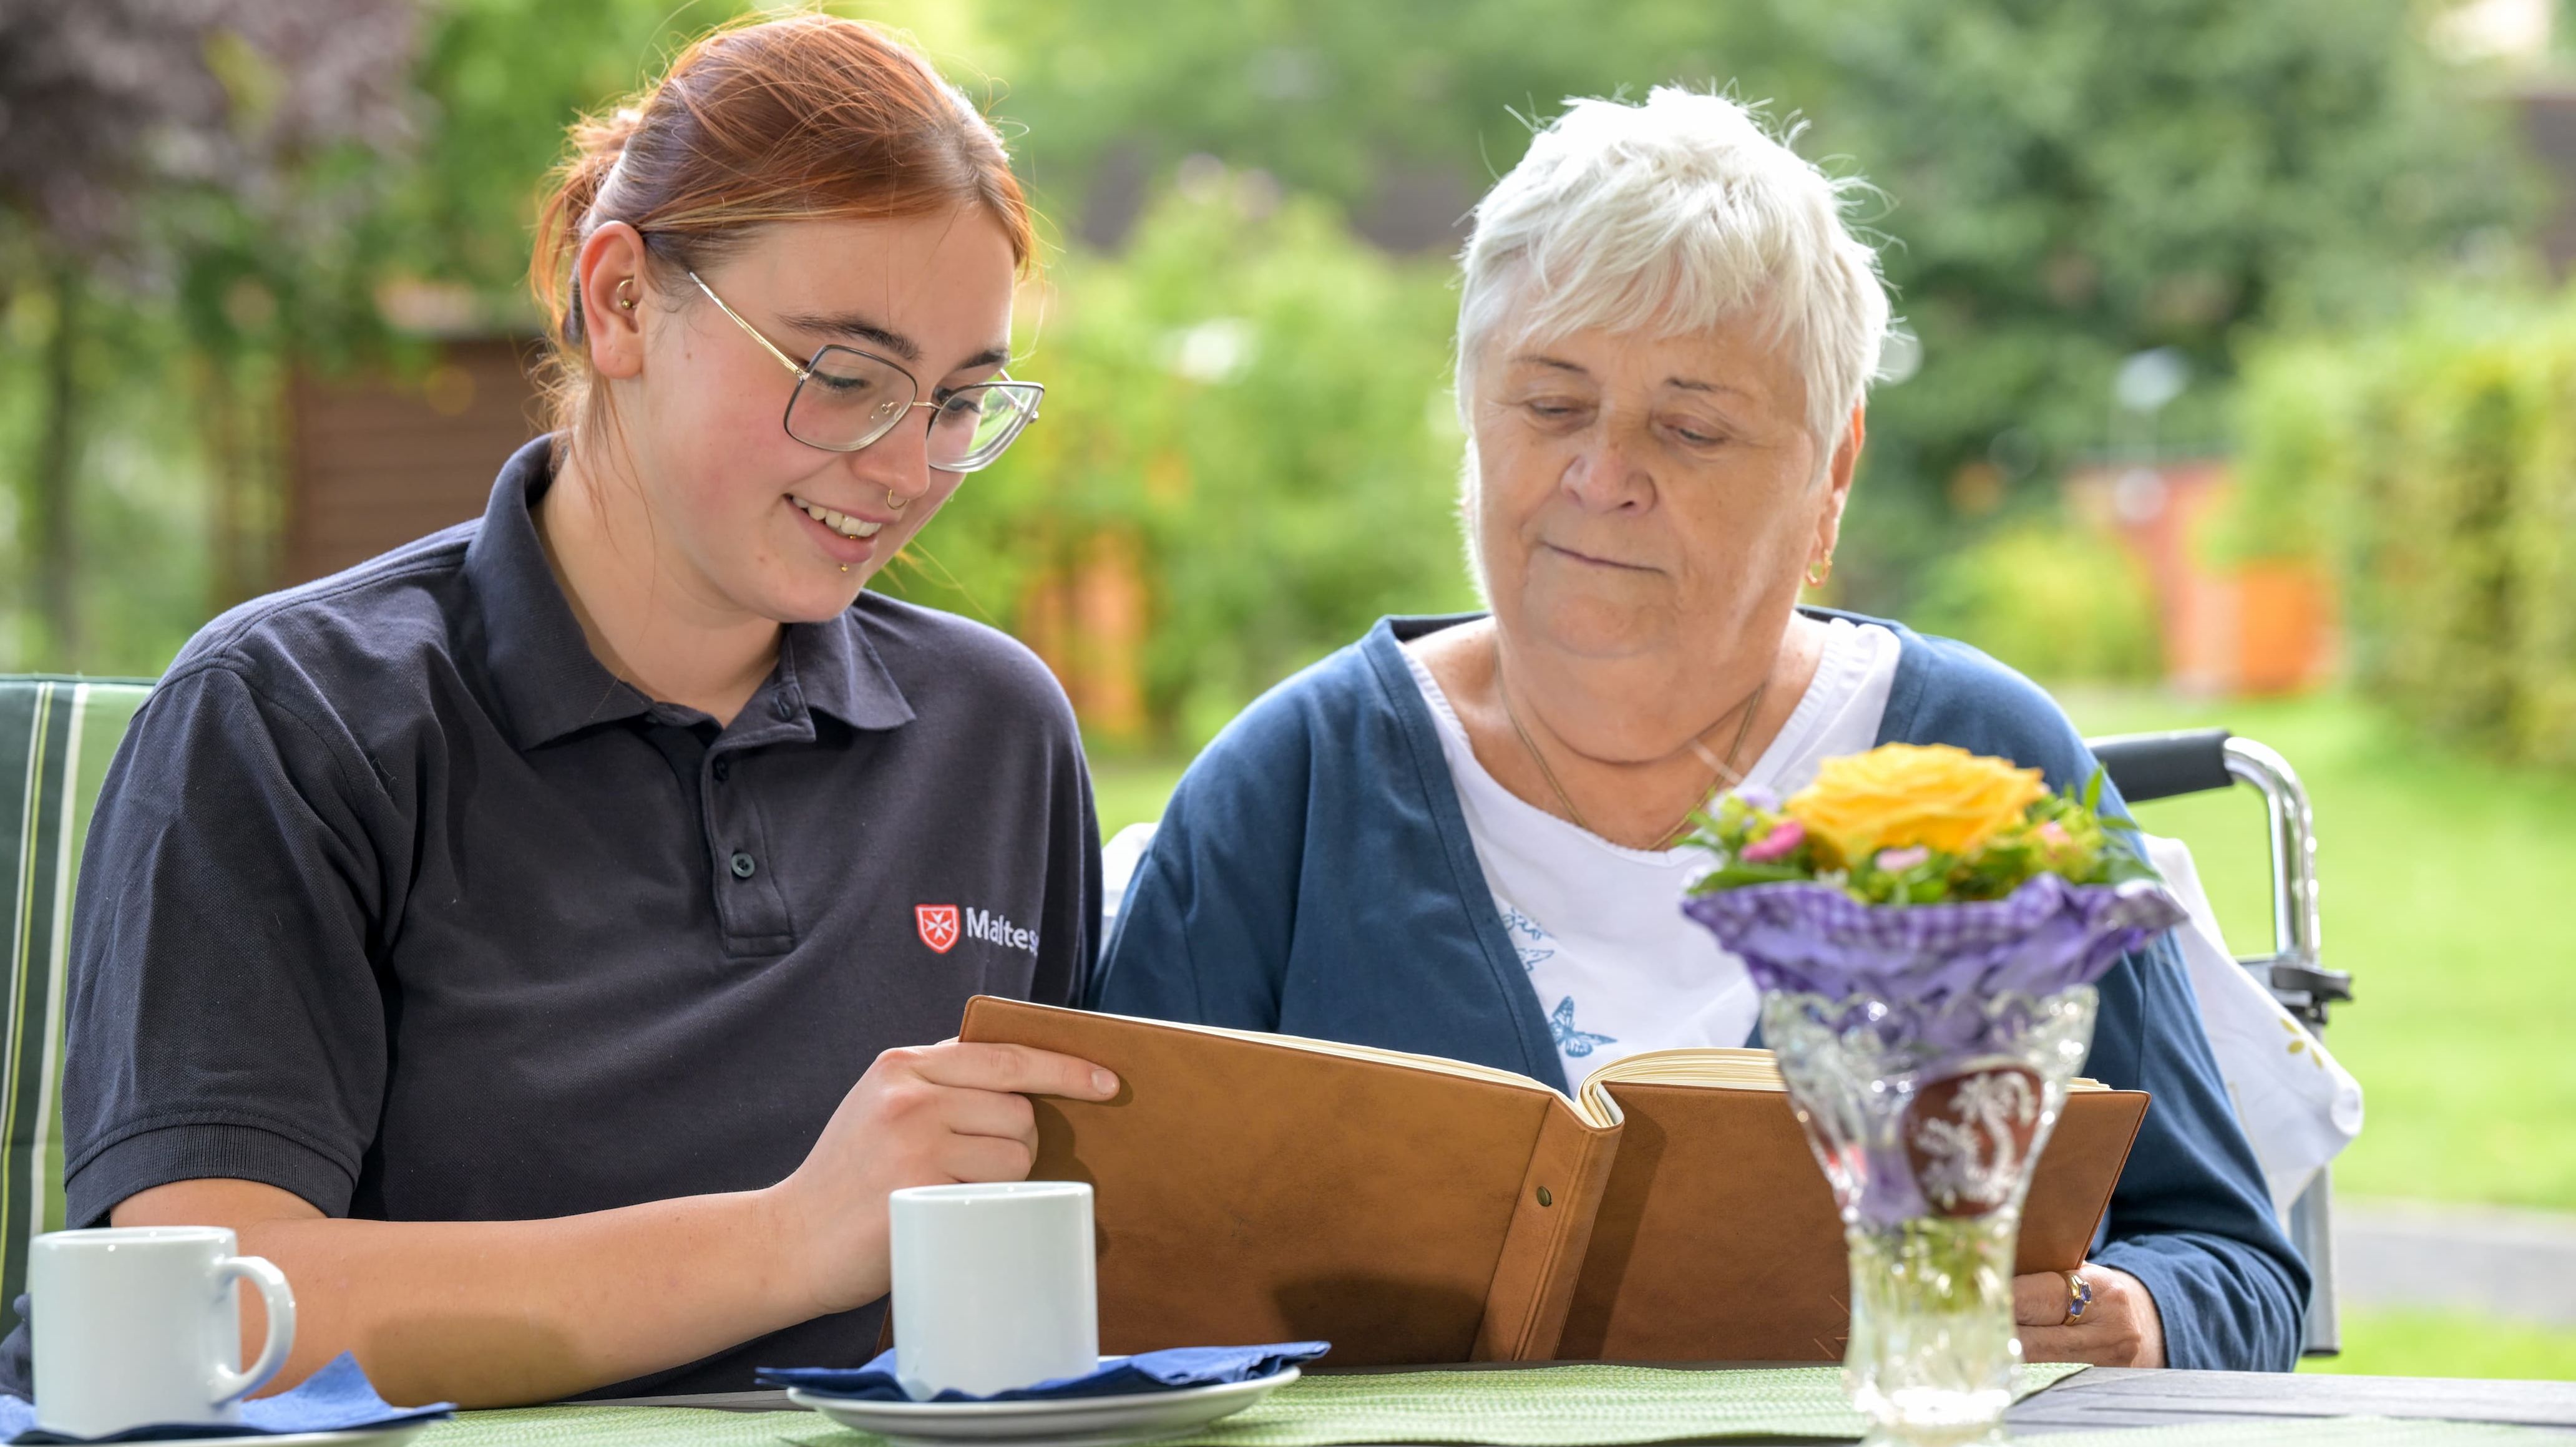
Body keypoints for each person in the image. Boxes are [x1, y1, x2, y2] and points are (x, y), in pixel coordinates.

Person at [1095, 89, 2308, 1373]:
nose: (1604, 471)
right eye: (1551, 404)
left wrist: (2134, 1314)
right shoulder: (1290, 788)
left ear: (1830, 471)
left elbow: (2229, 1264)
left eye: (1688, 424)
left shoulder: (1983, 777)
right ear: (1472, 415)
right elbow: (1108, 1268)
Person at [50, 16, 1116, 1406]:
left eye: (962, 401)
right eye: (843, 377)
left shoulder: (995, 731)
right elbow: (201, 1307)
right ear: (619, 302)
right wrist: (792, 1236)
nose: (908, 465)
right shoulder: (290, 714)